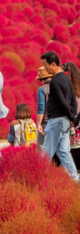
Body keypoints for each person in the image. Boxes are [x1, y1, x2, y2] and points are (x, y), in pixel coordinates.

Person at [40, 51, 78, 180]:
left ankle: (37, 177)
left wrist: (71, 117)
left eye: (45, 65)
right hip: (65, 121)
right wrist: (72, 116)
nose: (44, 68)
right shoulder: (66, 78)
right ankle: (74, 178)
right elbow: (72, 99)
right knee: (63, 151)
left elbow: (62, 102)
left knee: (46, 151)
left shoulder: (55, 81)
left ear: (53, 64)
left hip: (56, 120)